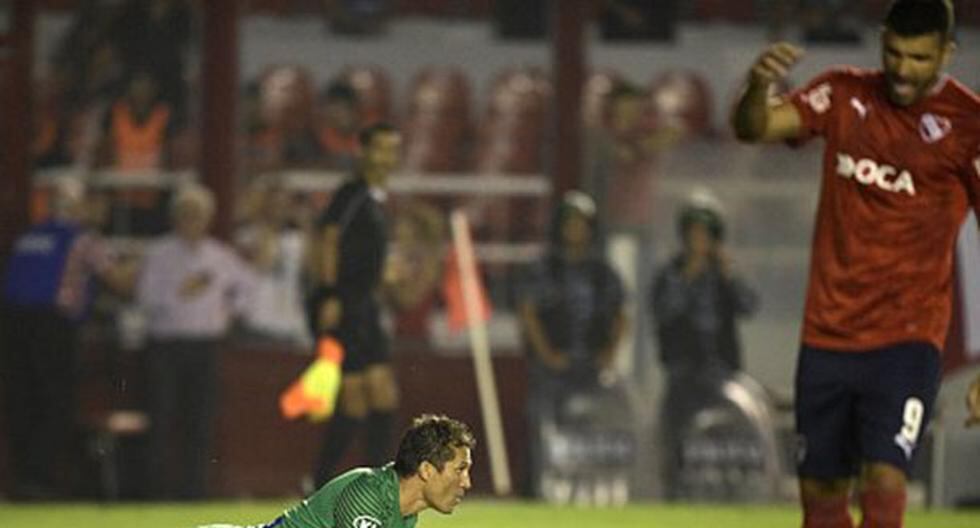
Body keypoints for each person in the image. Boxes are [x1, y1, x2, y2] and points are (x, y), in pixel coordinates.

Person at [731, 1, 980, 526]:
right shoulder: (843, 93)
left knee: (885, 478)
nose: (903, 69)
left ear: (946, 54)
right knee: (821, 492)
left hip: (907, 340)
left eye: (919, 57)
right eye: (894, 52)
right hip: (827, 335)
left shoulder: (968, 126)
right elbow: (757, 128)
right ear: (882, 40)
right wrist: (757, 89)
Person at [1, 177, 135, 499]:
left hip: (12, 327)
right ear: (78, 207)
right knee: (55, 402)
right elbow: (118, 281)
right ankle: (42, 481)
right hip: (53, 328)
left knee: (22, 401)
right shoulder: (83, 239)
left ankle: (20, 479)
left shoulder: (30, 236)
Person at [136, 182, 255, 500]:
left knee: (199, 422)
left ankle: (194, 493)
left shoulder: (220, 256)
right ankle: (155, 493)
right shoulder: (159, 253)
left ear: (208, 218)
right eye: (186, 214)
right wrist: (180, 296)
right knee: (161, 420)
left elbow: (247, 288)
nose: (192, 221)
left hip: (204, 346)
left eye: (198, 214)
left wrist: (228, 312)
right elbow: (145, 297)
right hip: (167, 345)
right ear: (175, 217)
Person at [306, 122, 402, 487]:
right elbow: (327, 238)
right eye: (380, 148)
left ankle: (378, 485)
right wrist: (329, 294)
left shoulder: (376, 198)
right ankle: (319, 483)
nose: (387, 157)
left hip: (366, 305)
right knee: (357, 399)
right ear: (362, 152)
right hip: (346, 303)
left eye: (393, 150)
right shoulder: (352, 194)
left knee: (382, 393)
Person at [649, 189, 759, 499]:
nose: (700, 239)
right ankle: (675, 492)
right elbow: (662, 312)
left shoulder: (725, 272)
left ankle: (732, 491)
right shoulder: (670, 274)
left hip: (722, 371)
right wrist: (687, 278)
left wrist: (729, 276)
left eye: (706, 232)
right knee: (677, 435)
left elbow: (749, 306)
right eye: (694, 231)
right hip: (683, 372)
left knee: (729, 435)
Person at [518, 190, 627, 497]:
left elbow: (621, 315)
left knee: (600, 426)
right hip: (553, 369)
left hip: (592, 367)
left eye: (581, 223)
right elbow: (528, 313)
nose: (574, 229)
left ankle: (602, 488)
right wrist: (548, 355)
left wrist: (609, 354)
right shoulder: (543, 268)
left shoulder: (602, 271)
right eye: (569, 222)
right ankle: (540, 489)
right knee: (543, 426)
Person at [198, 414, 474, 528]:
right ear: (426, 469)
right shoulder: (369, 495)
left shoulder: (405, 516)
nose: (467, 482)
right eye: (460, 469)